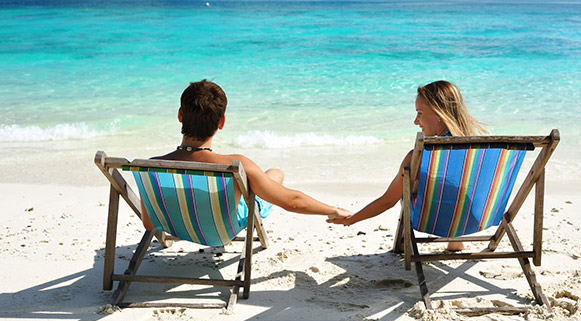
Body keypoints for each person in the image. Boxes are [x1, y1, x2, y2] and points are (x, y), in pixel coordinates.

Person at [141, 79, 351, 231]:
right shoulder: (235, 164)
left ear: (180, 116)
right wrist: (332, 210)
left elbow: (149, 224)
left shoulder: (150, 166)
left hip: (173, 225)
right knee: (274, 174)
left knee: (270, 175)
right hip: (220, 230)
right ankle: (266, 182)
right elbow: (292, 201)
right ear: (221, 122)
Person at [327, 80, 485, 251]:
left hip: (433, 221)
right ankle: (455, 240)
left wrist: (352, 219)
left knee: (409, 188)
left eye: (419, 113)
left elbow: (387, 201)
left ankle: (403, 242)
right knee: (449, 185)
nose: (416, 122)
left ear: (439, 114)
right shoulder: (482, 151)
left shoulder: (420, 156)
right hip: (474, 219)